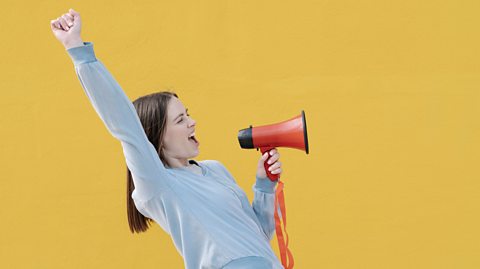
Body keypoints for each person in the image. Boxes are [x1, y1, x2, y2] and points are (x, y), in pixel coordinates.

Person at [50, 9, 285, 269]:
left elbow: (259, 236)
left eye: (188, 114)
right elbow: (124, 123)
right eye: (180, 120)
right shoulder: (158, 183)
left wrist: (263, 187)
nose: (192, 122)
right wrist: (78, 50)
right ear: (158, 139)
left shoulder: (215, 170)